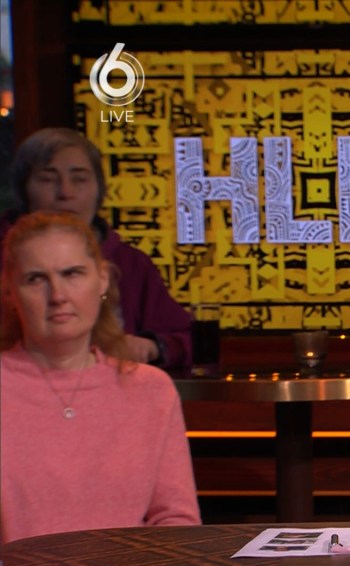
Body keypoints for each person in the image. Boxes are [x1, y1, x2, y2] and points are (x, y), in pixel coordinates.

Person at [0, 211, 201, 543]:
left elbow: (176, 520)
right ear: (10, 291)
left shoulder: (150, 389)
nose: (58, 295)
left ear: (103, 279)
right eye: (36, 279)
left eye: (72, 273)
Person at [2, 127, 192, 370]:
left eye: (79, 179)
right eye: (47, 179)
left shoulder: (131, 264)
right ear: (24, 189)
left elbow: (186, 338)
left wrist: (152, 346)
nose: (65, 193)